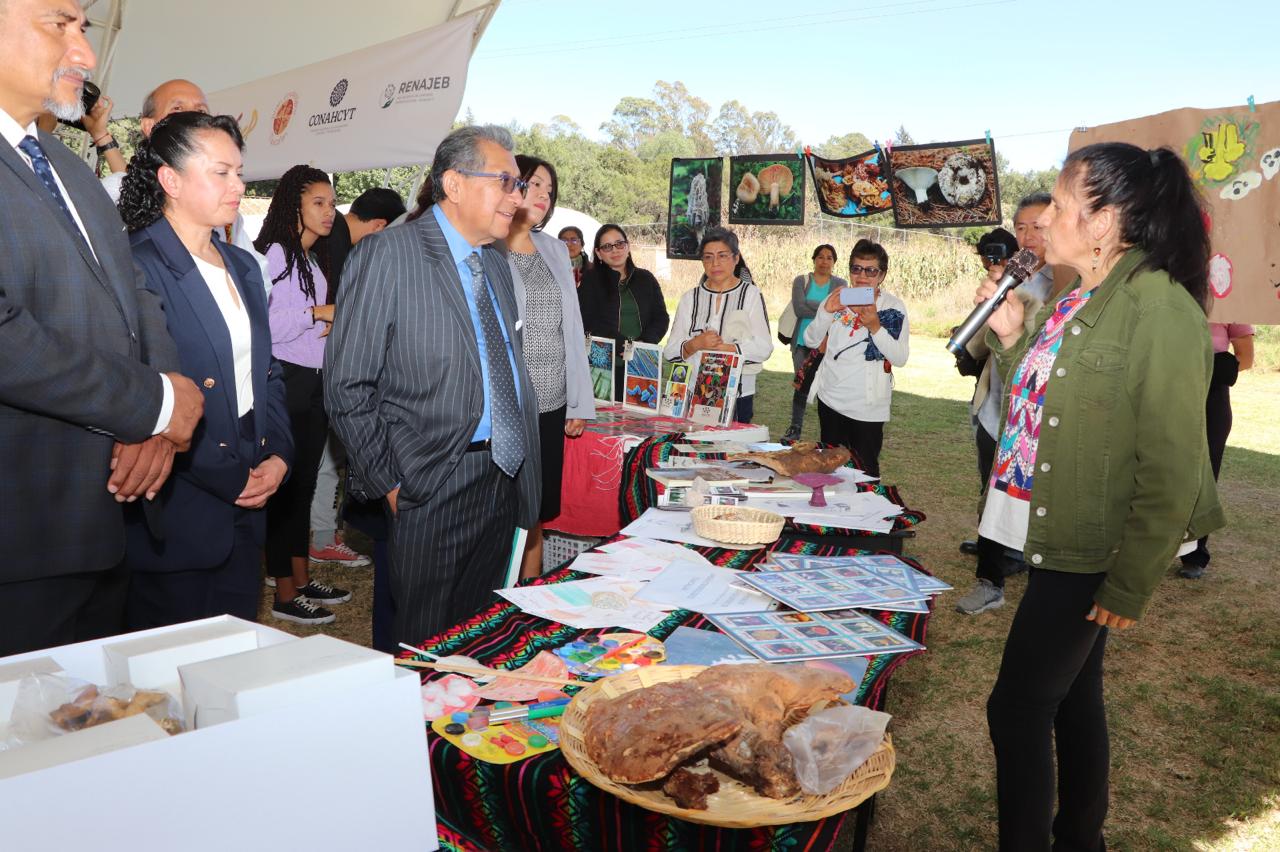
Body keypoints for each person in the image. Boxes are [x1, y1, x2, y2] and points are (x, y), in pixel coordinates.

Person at [977, 142, 1224, 850]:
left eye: (1058, 205)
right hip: (1052, 525)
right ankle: (1082, 839)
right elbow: (1053, 395)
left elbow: (1174, 466)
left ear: (1105, 221)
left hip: (1091, 543)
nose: (1042, 219)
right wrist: (1012, 338)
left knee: (1016, 709)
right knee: (1072, 698)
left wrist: (1128, 583)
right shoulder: (1078, 291)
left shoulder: (1161, 308)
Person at [0, 0, 204, 656]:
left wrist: (160, 410)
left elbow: (134, 293)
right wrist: (153, 405)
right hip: (19, 536)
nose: (84, 54)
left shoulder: (64, 170)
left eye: (84, 28)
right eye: (60, 24)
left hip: (101, 526)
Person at [325, 125, 542, 646]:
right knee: (425, 644)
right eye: (506, 182)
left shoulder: (494, 259)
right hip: (433, 479)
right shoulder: (389, 255)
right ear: (454, 183)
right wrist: (392, 484)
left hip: (504, 477)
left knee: (483, 638)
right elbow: (347, 384)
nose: (519, 197)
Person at [116, 112, 292, 628]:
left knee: (232, 659)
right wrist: (228, 475)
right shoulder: (136, 265)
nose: (239, 185)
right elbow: (146, 393)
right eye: (222, 172)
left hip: (249, 489)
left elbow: (268, 372)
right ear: (170, 180)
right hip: (179, 502)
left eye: (239, 171)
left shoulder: (242, 265)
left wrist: (279, 453)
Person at [253, 164, 351, 625]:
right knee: (287, 488)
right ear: (294, 205)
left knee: (305, 484)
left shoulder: (311, 260)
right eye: (319, 203)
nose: (329, 212)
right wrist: (320, 312)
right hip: (286, 378)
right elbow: (267, 325)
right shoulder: (274, 254)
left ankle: (301, 575)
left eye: (332, 204)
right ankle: (285, 594)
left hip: (312, 380)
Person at [955, 197, 1057, 615]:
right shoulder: (1008, 279)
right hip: (996, 409)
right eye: (1021, 228)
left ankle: (1038, 586)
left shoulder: (1063, 284)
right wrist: (989, 301)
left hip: (1039, 419)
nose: (1028, 237)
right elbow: (979, 345)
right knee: (991, 493)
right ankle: (990, 579)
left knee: (1040, 502)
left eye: (1038, 227)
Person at [502, 155, 595, 578]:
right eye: (534, 184)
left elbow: (571, 330)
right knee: (502, 510)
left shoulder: (555, 248)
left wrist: (578, 401)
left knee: (537, 510)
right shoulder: (487, 246)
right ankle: (492, 601)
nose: (543, 195)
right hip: (505, 403)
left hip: (551, 399)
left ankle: (528, 598)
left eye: (549, 191)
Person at [308, 186, 407, 568]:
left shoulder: (332, 240)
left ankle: (319, 537)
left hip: (323, 367)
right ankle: (319, 538)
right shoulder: (339, 245)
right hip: (324, 370)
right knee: (325, 462)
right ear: (381, 226)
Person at [97, 77, 269, 284]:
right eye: (177, 109)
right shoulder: (115, 190)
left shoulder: (223, 206)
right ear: (149, 126)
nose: (191, 116)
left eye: (201, 111)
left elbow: (258, 276)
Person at [802, 239, 908, 477]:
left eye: (871, 271)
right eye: (856, 269)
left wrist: (875, 327)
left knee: (865, 472)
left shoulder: (892, 307)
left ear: (881, 275)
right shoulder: (837, 298)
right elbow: (810, 340)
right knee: (829, 470)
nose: (862, 276)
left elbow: (900, 357)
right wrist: (826, 313)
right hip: (830, 398)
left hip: (867, 406)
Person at [663, 227, 774, 424]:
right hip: (693, 393)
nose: (715, 263)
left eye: (722, 256)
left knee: (731, 453)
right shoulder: (690, 298)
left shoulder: (750, 295)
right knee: (695, 450)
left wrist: (723, 348)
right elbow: (670, 351)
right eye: (708, 257)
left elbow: (764, 348)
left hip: (737, 395)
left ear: (736, 258)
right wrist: (696, 344)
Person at [1178, 320, 1253, 579]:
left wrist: (1207, 365)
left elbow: (1247, 358)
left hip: (1211, 394)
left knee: (1204, 474)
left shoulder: (1232, 301)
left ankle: (1195, 554)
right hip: (1168, 386)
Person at [579, 224, 669, 400]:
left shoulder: (646, 279)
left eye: (619, 244)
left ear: (627, 246)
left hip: (642, 359)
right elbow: (587, 321)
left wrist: (643, 343)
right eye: (607, 247)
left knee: (641, 418)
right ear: (598, 253)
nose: (615, 250)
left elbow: (661, 317)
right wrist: (624, 344)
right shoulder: (591, 280)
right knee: (605, 420)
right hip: (603, 363)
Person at [783, 244, 847, 441]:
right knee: (802, 385)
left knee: (827, 389)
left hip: (827, 345)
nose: (824, 261)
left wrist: (823, 308)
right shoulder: (801, 281)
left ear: (834, 262)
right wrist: (826, 308)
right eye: (820, 257)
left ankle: (829, 433)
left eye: (829, 258)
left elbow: (840, 311)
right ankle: (795, 429)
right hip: (802, 342)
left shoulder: (840, 284)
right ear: (814, 259)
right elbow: (799, 309)